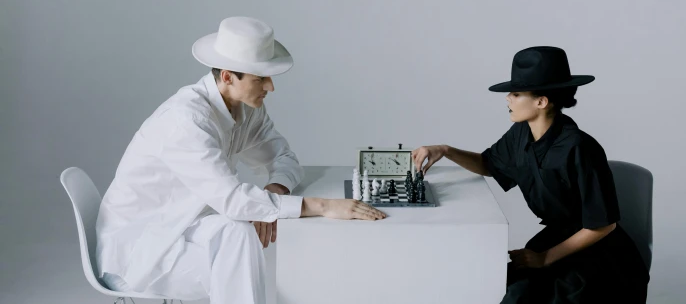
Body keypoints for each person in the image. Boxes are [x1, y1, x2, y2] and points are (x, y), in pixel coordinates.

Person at [95, 16, 385, 304]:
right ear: (227, 77)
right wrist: (322, 206)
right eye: (261, 79)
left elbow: (285, 159)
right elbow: (232, 200)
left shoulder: (247, 109)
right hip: (138, 249)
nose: (270, 87)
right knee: (238, 264)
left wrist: (275, 191)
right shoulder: (186, 120)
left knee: (240, 235)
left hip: (182, 225)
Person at [412, 46, 649, 303]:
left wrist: (545, 257)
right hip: (555, 240)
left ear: (541, 101)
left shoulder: (580, 147)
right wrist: (445, 150)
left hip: (596, 254)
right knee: (494, 283)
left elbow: (603, 225)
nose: (508, 100)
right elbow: (489, 164)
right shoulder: (521, 133)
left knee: (524, 295)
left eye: (515, 94)